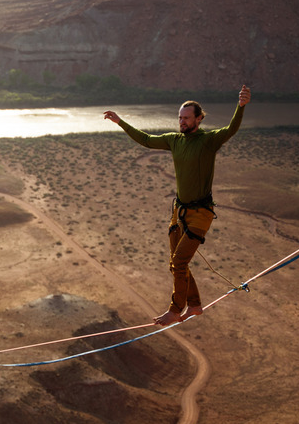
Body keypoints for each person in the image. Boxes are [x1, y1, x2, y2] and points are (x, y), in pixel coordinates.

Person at [104, 85, 251, 326]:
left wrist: (241, 107)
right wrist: (121, 121)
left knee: (179, 263)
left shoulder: (208, 141)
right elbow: (147, 140)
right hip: (179, 211)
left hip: (200, 214)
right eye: (179, 118)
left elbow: (231, 129)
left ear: (199, 118)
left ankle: (175, 309)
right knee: (176, 264)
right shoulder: (174, 140)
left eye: (186, 118)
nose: (181, 122)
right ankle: (194, 305)